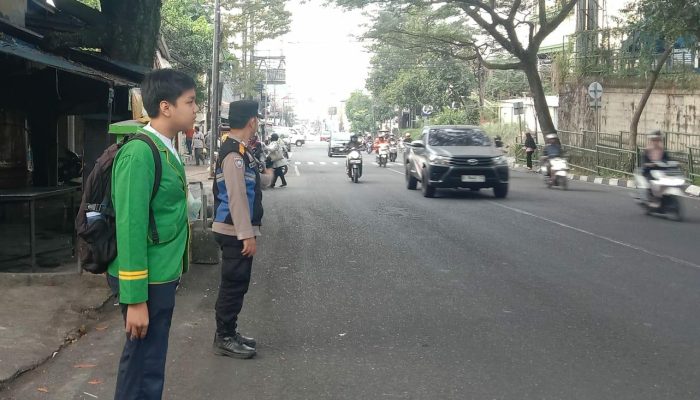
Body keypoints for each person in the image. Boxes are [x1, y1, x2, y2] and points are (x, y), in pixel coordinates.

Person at [107, 69, 197, 400]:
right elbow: (129, 226)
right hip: (145, 279)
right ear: (166, 106)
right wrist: (135, 299)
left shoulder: (164, 147)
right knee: (142, 366)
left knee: (149, 362)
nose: (195, 109)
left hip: (160, 274)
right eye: (190, 102)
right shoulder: (140, 152)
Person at [212, 100, 269, 359]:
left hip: (235, 229)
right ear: (252, 121)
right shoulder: (234, 154)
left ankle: (229, 332)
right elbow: (236, 197)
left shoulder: (242, 151)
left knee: (237, 283)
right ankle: (224, 337)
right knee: (233, 284)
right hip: (234, 230)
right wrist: (246, 234)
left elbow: (253, 187)